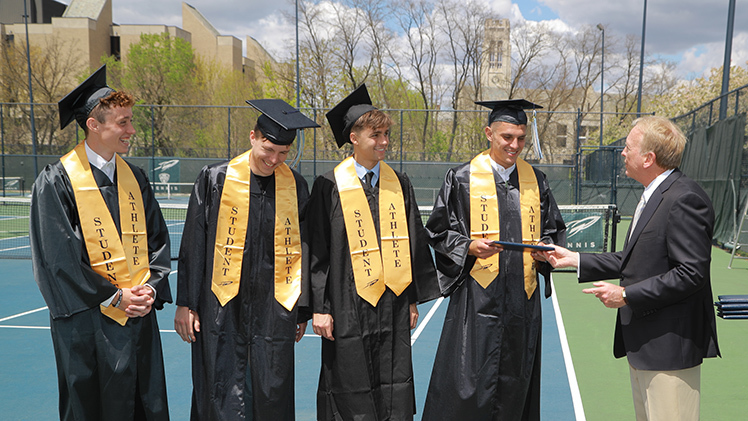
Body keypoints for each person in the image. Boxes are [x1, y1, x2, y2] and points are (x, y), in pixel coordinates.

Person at [543, 115, 719, 421]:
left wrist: (626, 295)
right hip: (646, 347)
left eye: (628, 147)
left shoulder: (684, 198)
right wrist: (574, 259)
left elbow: (691, 273)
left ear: (649, 158)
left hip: (669, 351)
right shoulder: (655, 194)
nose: (622, 153)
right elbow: (637, 258)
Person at [29, 65, 172, 420]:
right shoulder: (57, 181)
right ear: (94, 125)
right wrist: (115, 295)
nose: (131, 130)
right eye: (122, 122)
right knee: (93, 407)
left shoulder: (135, 177)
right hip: (88, 322)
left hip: (138, 318)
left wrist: (150, 289)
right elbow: (58, 259)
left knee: (144, 403)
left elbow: (157, 241)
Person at [174, 99, 318, 420]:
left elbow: (303, 250)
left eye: (283, 153)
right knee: (220, 386)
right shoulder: (215, 180)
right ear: (253, 136)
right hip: (221, 305)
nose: (274, 159)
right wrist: (186, 302)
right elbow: (194, 244)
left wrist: (303, 309)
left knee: (272, 389)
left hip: (274, 305)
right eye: (268, 148)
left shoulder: (295, 186)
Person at [422, 99, 566, 420]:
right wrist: (468, 246)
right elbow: (438, 231)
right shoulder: (461, 179)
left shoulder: (537, 181)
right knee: (468, 385)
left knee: (515, 385)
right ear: (489, 133)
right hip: (477, 301)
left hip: (521, 304)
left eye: (521, 139)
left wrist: (546, 249)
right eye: (507, 137)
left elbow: (554, 230)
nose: (515, 145)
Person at [308, 84, 440, 420]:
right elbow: (317, 250)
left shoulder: (399, 183)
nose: (383, 142)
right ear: (354, 137)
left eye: (385, 135)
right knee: (347, 379)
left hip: (392, 303)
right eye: (375, 135)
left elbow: (413, 242)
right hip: (345, 302)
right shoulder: (328, 185)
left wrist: (410, 299)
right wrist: (320, 308)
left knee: (393, 381)